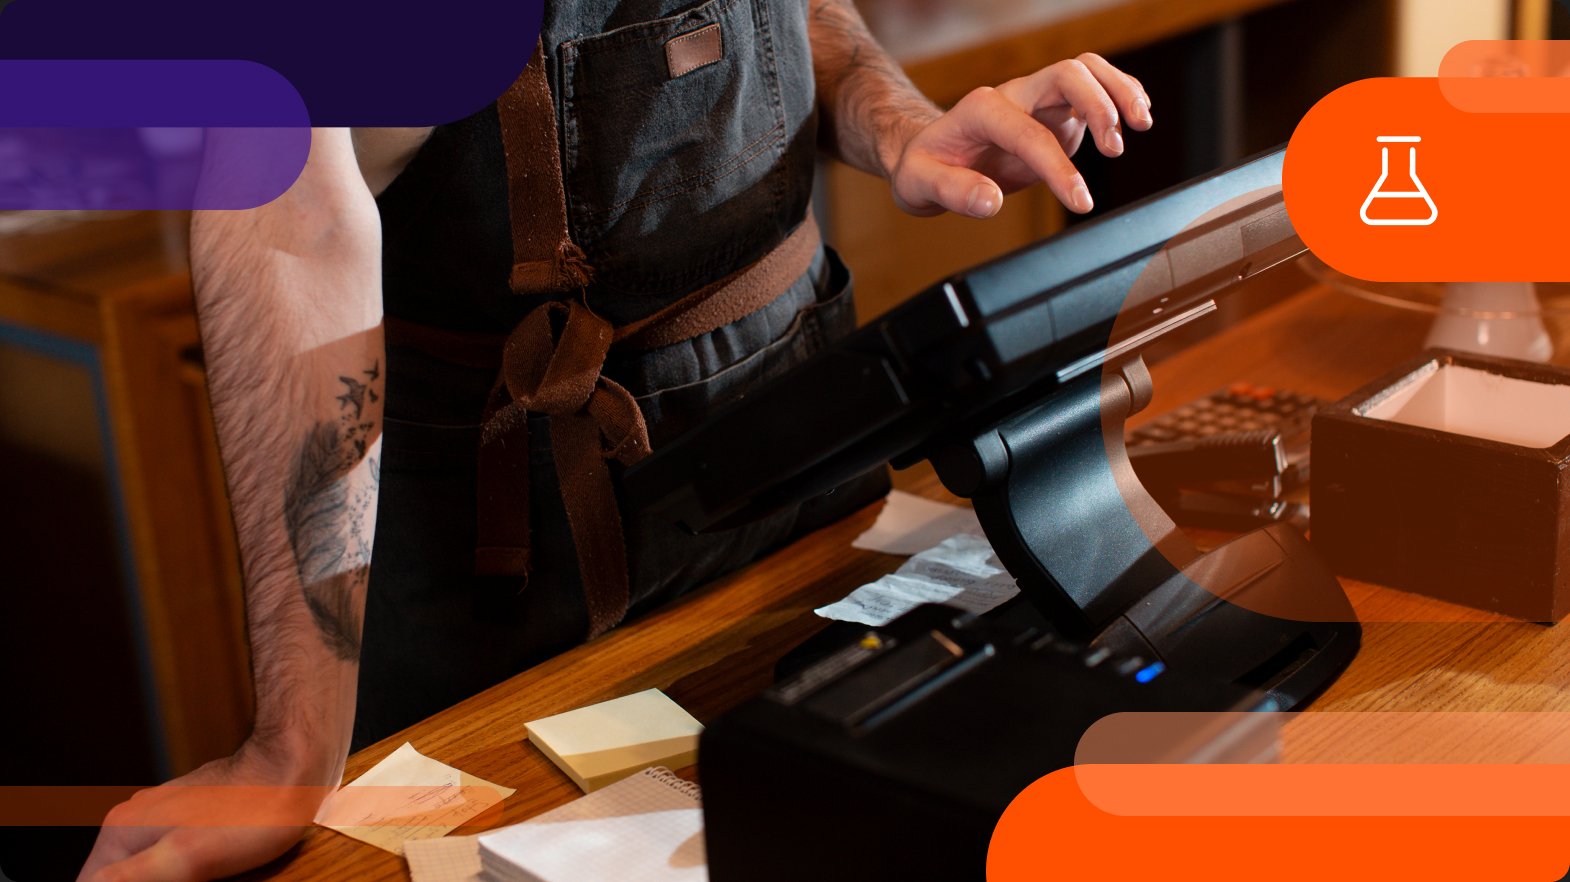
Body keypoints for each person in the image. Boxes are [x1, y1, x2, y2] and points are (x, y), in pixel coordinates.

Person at [78, 2, 1152, 878]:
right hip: (506, 571)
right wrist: (290, 747)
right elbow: (284, 207)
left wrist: (901, 125)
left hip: (794, 483)